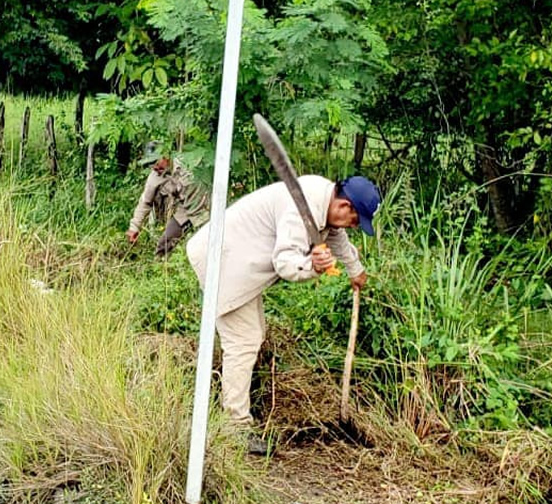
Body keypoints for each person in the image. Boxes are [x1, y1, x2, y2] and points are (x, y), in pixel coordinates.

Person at [185, 174, 381, 454]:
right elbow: (285, 263)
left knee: (250, 336)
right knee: (244, 340)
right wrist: (312, 266)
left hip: (240, 261)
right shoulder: (300, 208)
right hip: (222, 259)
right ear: (345, 206)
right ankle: (234, 429)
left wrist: (355, 269)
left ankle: (232, 412)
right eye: (355, 220)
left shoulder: (323, 201)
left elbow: (335, 236)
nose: (354, 226)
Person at [126, 143, 209, 257]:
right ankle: (160, 265)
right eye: (151, 165)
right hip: (185, 210)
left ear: (165, 156)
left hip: (206, 206)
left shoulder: (187, 164)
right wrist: (134, 227)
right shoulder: (155, 177)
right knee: (164, 243)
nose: (154, 167)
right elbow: (145, 203)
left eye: (155, 162)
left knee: (205, 244)